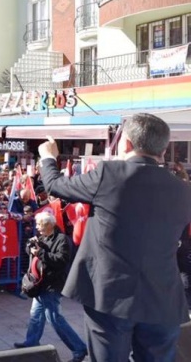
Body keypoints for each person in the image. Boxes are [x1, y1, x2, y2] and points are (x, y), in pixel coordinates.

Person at [37, 113, 191, 361]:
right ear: (163, 150)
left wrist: (47, 157)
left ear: (126, 144)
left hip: (110, 297)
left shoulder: (109, 174)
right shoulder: (184, 191)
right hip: (163, 299)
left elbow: (55, 185)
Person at [13, 212, 87, 362]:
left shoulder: (62, 240)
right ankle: (31, 343)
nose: (37, 227)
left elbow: (61, 261)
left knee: (54, 318)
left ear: (50, 225)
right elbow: (30, 253)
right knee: (35, 315)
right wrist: (30, 246)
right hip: (40, 284)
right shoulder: (42, 237)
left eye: (40, 225)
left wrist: (40, 253)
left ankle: (79, 348)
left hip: (52, 284)